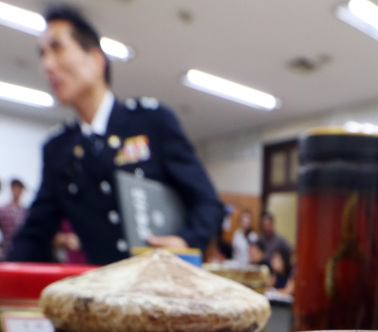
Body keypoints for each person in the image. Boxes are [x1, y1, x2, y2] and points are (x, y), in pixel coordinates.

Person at [9, 5, 223, 265]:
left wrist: (186, 241)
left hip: (164, 291)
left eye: (57, 48)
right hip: (104, 298)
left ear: (96, 59)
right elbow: (34, 235)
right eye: (42, 54)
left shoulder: (152, 123)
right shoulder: (58, 150)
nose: (47, 64)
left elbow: (208, 203)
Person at [0, 179, 28, 259]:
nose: (17, 191)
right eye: (15, 187)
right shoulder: (3, 210)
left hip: (22, 252)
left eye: (19, 188)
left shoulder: (26, 211)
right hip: (6, 252)